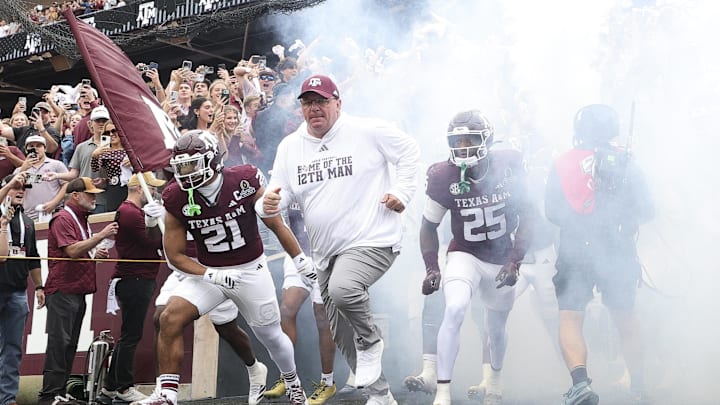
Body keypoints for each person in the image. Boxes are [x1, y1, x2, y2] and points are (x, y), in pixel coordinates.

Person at [260, 74, 421, 405]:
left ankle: (372, 341)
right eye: (308, 103)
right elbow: (279, 192)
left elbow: (409, 151)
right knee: (340, 332)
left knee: (343, 289)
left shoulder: (366, 130)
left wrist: (401, 191)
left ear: (338, 104)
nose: (314, 109)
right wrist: (270, 202)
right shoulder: (290, 146)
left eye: (322, 101)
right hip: (324, 251)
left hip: (373, 238)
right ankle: (381, 395)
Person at [148, 130, 315, 405]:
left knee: (271, 336)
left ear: (213, 159)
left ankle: (293, 383)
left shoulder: (244, 179)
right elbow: (174, 256)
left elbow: (275, 222)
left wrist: (299, 259)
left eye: (192, 165)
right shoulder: (176, 196)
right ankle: (167, 394)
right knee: (168, 318)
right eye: (181, 167)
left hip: (250, 269)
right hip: (210, 271)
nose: (186, 174)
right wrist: (211, 274)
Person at [419, 110, 535, 405]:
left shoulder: (509, 164)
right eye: (457, 142)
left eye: (470, 139)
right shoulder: (442, 175)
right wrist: (431, 267)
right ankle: (443, 393)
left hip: (501, 258)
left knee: (495, 329)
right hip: (465, 253)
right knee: (455, 308)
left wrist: (515, 261)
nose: (463, 148)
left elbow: (529, 216)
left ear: (487, 139)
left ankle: (494, 377)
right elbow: (428, 226)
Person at [545, 104, 654, 405]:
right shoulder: (626, 161)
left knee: (570, 316)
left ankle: (580, 384)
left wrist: (579, 221)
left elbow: (551, 211)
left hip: (575, 249)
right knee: (625, 317)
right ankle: (639, 386)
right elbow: (647, 209)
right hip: (617, 248)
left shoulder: (562, 163)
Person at [38, 177, 119, 405]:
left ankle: (58, 393)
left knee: (69, 344)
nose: (95, 197)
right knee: (59, 344)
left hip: (76, 290)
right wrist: (100, 236)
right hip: (63, 289)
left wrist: (94, 252)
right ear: (75, 195)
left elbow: (75, 251)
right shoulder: (63, 218)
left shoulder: (79, 219)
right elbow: (72, 251)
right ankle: (49, 396)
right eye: (90, 194)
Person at [96, 172, 166, 404]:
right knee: (130, 336)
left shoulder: (129, 211)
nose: (154, 193)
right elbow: (153, 241)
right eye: (151, 189)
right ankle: (124, 387)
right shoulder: (130, 212)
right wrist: (156, 222)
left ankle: (111, 386)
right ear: (139, 189)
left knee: (129, 335)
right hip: (135, 278)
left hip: (135, 278)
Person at [263, 204, 337, 405]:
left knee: (322, 316)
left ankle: (327, 382)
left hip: (327, 255)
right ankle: (288, 379)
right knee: (287, 309)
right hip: (297, 254)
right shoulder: (289, 179)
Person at [0, 172, 39, 405]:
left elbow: (32, 256)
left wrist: (40, 286)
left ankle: (7, 398)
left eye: (24, 187)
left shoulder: (28, 221)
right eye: (16, 187)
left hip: (16, 290)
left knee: (13, 348)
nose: (21, 190)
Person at [14, 135, 67, 220]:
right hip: (29, 216)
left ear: (45, 148)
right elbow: (13, 189)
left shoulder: (56, 165)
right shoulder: (19, 170)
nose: (35, 149)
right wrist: (24, 168)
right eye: (31, 146)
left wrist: (54, 202)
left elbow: (66, 185)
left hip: (54, 213)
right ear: (26, 149)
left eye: (39, 146)